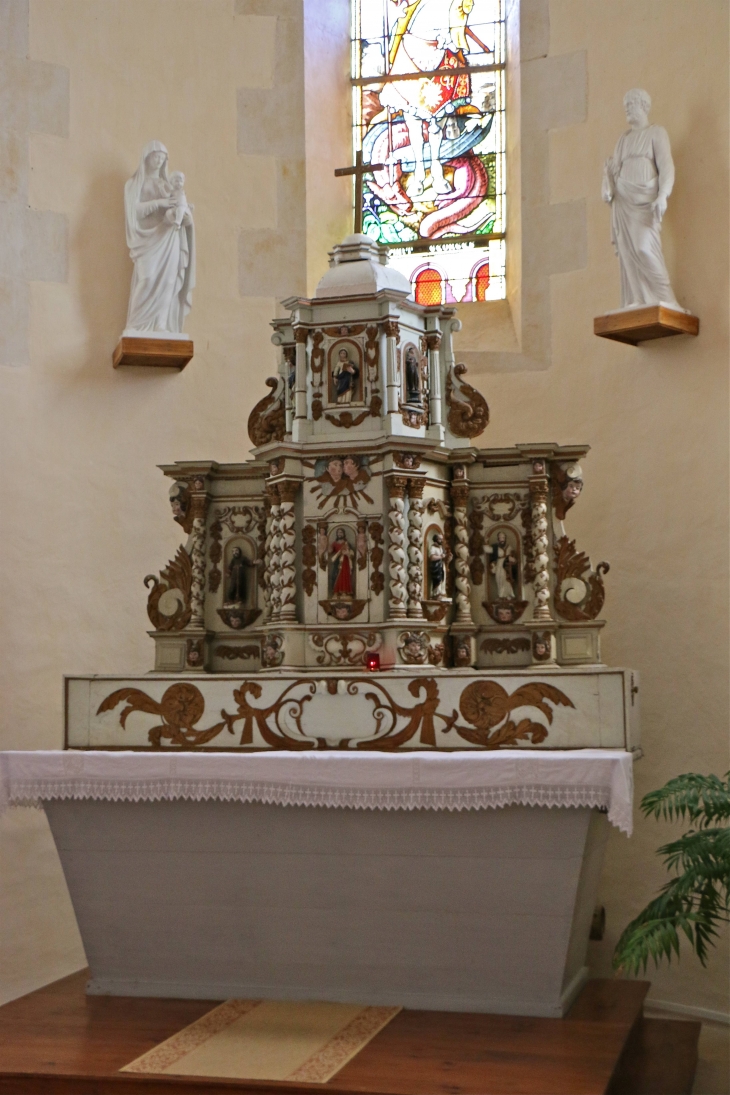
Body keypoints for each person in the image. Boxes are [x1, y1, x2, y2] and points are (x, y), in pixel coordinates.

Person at [602, 89, 681, 309]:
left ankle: (667, 299)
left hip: (645, 200)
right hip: (623, 200)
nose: (626, 108)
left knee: (644, 247)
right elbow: (614, 170)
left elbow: (666, 167)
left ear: (643, 106)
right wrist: (608, 177)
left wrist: (663, 195)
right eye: (625, 105)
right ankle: (637, 299)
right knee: (627, 251)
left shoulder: (656, 133)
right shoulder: (623, 140)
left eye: (631, 104)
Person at [124, 141, 195, 334]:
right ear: (146, 158)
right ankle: (136, 324)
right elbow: (135, 211)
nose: (159, 160)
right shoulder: (134, 184)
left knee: (169, 281)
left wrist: (185, 214)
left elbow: (181, 209)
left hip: (169, 237)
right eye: (155, 156)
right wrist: (159, 202)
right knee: (146, 278)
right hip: (147, 241)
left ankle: (161, 324)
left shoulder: (167, 185)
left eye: (162, 157)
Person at [489, 531, 517, 600]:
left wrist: (512, 559)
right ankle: (500, 595)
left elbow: (513, 557)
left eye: (503, 538)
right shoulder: (495, 548)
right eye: (500, 538)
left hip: (507, 566)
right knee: (499, 579)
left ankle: (508, 595)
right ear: (498, 539)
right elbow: (492, 557)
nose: (502, 539)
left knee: (507, 580)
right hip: (499, 565)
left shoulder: (509, 547)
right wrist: (493, 566)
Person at [330, 528, 355, 597]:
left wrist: (347, 553)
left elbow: (352, 553)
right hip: (337, 562)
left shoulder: (347, 543)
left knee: (344, 576)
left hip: (345, 562)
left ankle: (344, 592)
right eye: (338, 532)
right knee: (334, 575)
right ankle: (336, 591)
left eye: (341, 532)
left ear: (343, 534)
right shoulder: (334, 543)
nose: (339, 534)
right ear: (337, 534)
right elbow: (330, 551)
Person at [428, 533, 447, 599]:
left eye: (442, 539)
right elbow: (432, 557)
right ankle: (436, 594)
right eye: (440, 539)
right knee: (437, 579)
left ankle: (441, 593)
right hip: (436, 567)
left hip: (441, 566)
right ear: (436, 539)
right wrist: (440, 556)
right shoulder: (433, 547)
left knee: (442, 579)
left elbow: (444, 557)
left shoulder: (441, 548)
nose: (441, 540)